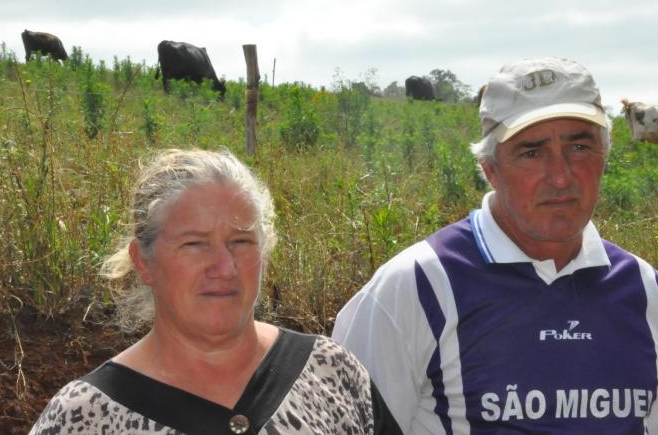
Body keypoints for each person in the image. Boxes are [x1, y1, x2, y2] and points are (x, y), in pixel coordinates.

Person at [333, 58, 658, 434]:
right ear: (490, 169)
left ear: (604, 157)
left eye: (579, 147)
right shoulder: (413, 290)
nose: (560, 177)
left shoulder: (652, 298)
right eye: (531, 153)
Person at [30, 149, 400, 435]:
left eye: (241, 242)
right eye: (194, 244)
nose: (224, 267)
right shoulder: (84, 417)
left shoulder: (331, 371)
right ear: (143, 262)